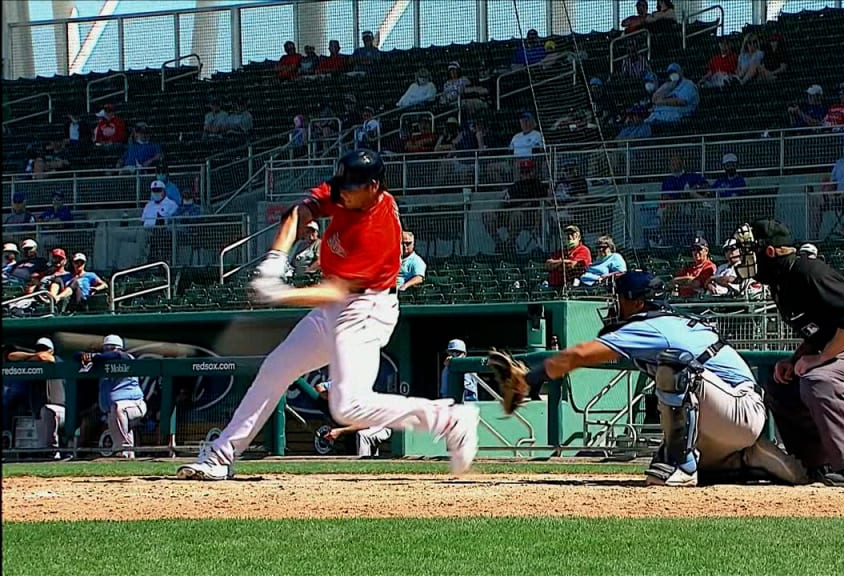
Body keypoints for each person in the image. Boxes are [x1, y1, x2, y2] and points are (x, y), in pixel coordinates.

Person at [176, 149, 479, 481]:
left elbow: (336, 289)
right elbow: (300, 212)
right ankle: (222, 455)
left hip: (366, 310)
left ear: (374, 186)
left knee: (348, 406)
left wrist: (281, 294)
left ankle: (449, 419)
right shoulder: (348, 192)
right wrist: (276, 258)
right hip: (335, 308)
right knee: (277, 368)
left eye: (351, 187)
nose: (342, 193)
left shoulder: (377, 231)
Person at [515, 271, 807, 487]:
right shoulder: (664, 321)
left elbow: (580, 354)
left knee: (674, 369)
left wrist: (533, 376)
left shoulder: (653, 326)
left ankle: (684, 464)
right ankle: (743, 459)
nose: (614, 305)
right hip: (727, 415)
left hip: (739, 408)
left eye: (618, 299)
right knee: (660, 462)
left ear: (638, 302)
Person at [732, 220, 844, 487]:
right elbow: (822, 333)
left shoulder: (807, 270)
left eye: (750, 251)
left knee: (821, 379)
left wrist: (819, 359)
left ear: (769, 252)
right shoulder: (781, 283)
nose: (744, 259)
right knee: (782, 386)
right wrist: (795, 361)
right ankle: (817, 465)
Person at [78, 335, 147, 459]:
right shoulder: (101, 362)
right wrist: (88, 356)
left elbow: (116, 355)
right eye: (106, 348)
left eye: (112, 348)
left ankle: (122, 449)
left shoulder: (126, 357)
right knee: (117, 415)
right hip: (114, 410)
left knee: (118, 408)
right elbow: (76, 356)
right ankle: (128, 458)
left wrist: (94, 357)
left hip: (135, 405)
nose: (109, 350)